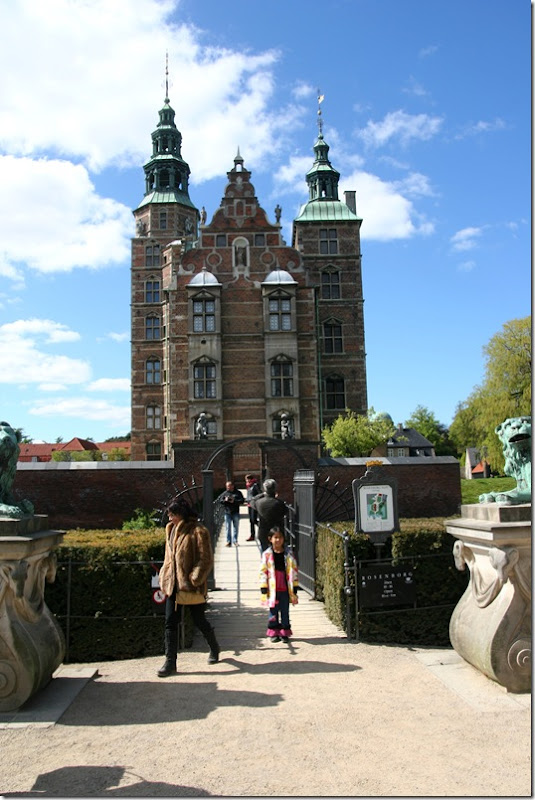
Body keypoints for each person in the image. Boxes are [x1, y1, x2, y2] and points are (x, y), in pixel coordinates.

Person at [157, 498, 220, 677]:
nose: (170, 518)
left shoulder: (198, 531)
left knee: (199, 620)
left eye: (173, 514)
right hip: (173, 584)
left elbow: (205, 558)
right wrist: (165, 574)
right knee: (170, 622)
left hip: (190, 586)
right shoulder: (170, 529)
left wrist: (194, 578)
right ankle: (170, 662)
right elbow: (168, 556)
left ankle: (214, 647)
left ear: (181, 514)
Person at [259, 526, 298, 643]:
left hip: (285, 586)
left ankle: (284, 631)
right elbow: (263, 571)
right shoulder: (267, 554)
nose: (278, 540)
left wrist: (295, 585)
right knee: (273, 611)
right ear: (270, 539)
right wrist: (263, 586)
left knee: (285, 610)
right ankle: (274, 631)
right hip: (273, 587)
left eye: (280, 537)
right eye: (275, 537)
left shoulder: (289, 554)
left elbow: (294, 569)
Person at [250, 478, 288, 552]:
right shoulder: (279, 503)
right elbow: (285, 512)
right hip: (277, 532)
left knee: (265, 554)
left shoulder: (258, 502)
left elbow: (252, 501)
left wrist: (263, 494)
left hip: (263, 531)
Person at [219, 480, 245, 546]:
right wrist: (225, 500)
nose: (227, 487)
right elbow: (220, 501)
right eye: (227, 486)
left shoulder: (238, 493)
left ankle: (235, 541)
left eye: (228, 486)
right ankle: (228, 541)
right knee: (228, 527)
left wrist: (234, 501)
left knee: (236, 527)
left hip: (235, 512)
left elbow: (242, 501)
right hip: (227, 512)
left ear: (232, 486)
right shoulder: (225, 493)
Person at [244, 473, 261, 542]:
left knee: (254, 520)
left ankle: (262, 527)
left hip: (254, 505)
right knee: (251, 521)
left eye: (247, 480)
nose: (246, 481)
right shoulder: (248, 486)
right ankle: (252, 535)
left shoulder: (255, 485)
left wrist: (253, 499)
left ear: (250, 479)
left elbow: (259, 493)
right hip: (249, 505)